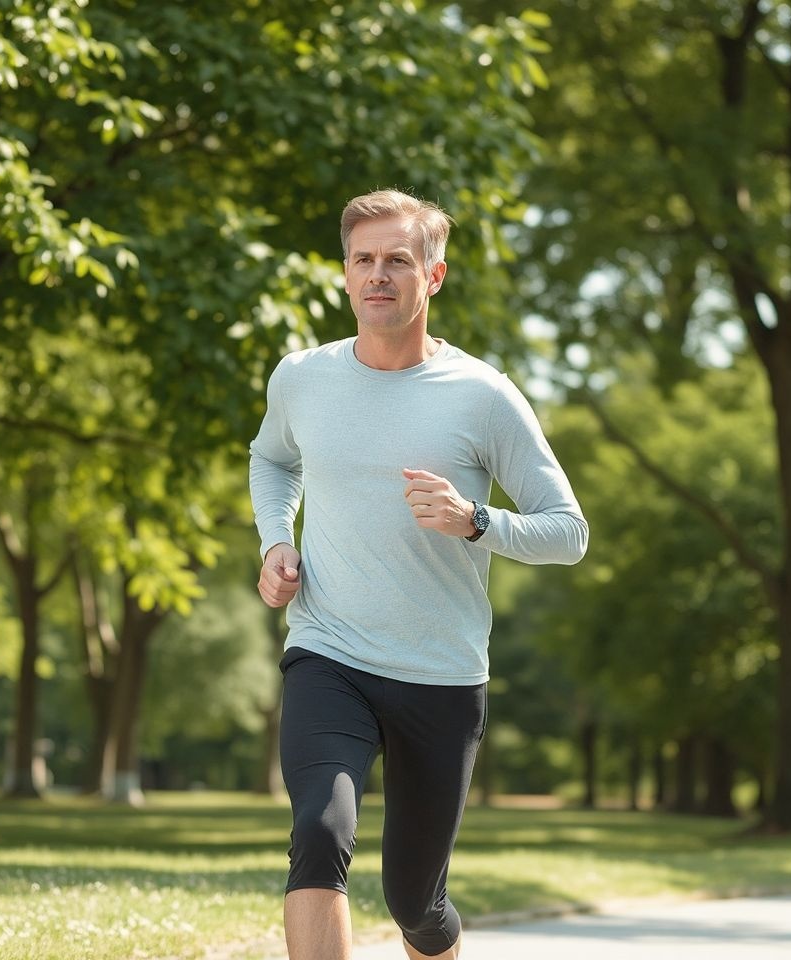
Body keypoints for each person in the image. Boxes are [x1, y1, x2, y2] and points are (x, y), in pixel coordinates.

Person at [249, 189, 588, 960]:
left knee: (417, 903)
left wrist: (477, 521)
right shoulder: (302, 377)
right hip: (328, 650)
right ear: (344, 274)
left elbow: (568, 532)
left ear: (432, 277)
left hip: (439, 674)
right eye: (363, 259)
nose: (378, 275)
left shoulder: (483, 395)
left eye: (397, 260)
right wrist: (276, 542)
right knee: (318, 830)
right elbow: (271, 459)